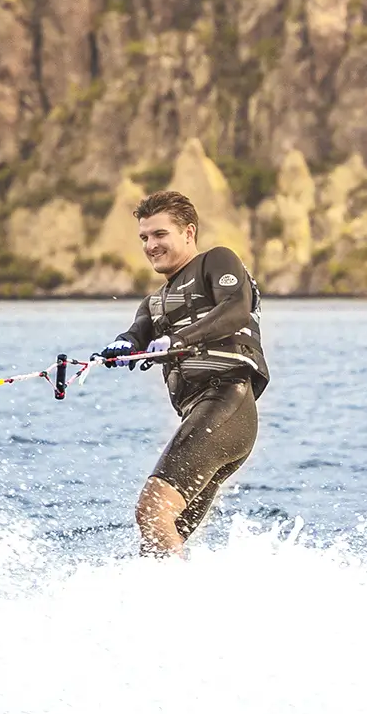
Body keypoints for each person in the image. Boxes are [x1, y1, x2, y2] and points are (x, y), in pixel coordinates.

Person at [98, 189, 269, 556]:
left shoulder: (216, 261)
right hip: (203, 417)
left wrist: (179, 339)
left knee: (152, 509)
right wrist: (122, 346)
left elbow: (236, 309)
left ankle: (177, 609)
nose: (150, 245)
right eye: (144, 237)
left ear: (188, 233)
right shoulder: (154, 302)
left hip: (228, 402)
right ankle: (170, 600)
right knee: (162, 530)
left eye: (160, 234)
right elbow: (136, 334)